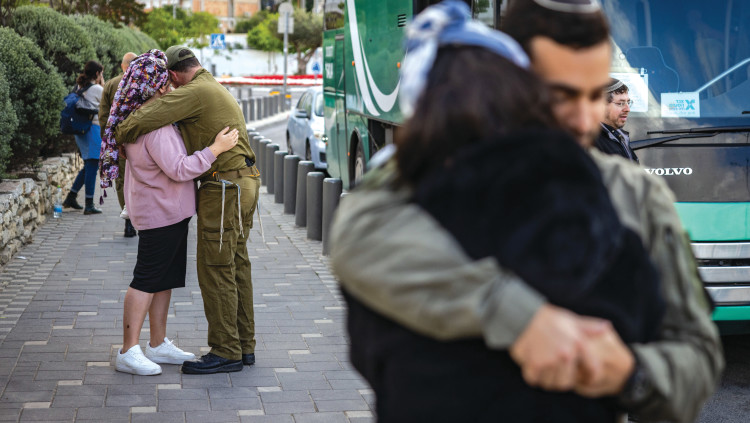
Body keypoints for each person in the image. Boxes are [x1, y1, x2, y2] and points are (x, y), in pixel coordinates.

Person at [330, 0, 723, 421]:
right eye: (560, 95)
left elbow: (697, 359)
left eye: (595, 95)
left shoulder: (635, 193)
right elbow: (357, 231)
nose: (584, 120)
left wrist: (629, 375)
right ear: (512, 85)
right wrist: (518, 317)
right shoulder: (442, 174)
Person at [112, 46, 260, 375]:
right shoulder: (210, 85)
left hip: (225, 188)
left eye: (170, 82)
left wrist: (118, 132)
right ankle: (243, 345)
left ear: (175, 75)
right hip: (239, 183)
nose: (169, 89)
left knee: (216, 268)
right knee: (235, 264)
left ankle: (226, 351)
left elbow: (147, 116)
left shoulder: (193, 91)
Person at [99, 51, 138, 238]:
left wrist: (108, 141)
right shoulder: (143, 83)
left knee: (122, 181)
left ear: (123, 66)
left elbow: (103, 116)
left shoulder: (111, 84)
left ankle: (128, 220)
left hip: (118, 141)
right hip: (141, 140)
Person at [62, 60, 105, 215]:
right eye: (101, 73)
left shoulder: (79, 87)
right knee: (92, 165)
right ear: (97, 73)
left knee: (89, 165)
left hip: (81, 131)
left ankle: (71, 197)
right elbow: (109, 106)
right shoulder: (98, 89)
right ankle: (89, 204)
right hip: (93, 130)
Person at [595, 78, 639, 162]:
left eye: (628, 102)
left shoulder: (618, 136)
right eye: (620, 103)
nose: (627, 109)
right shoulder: (591, 142)